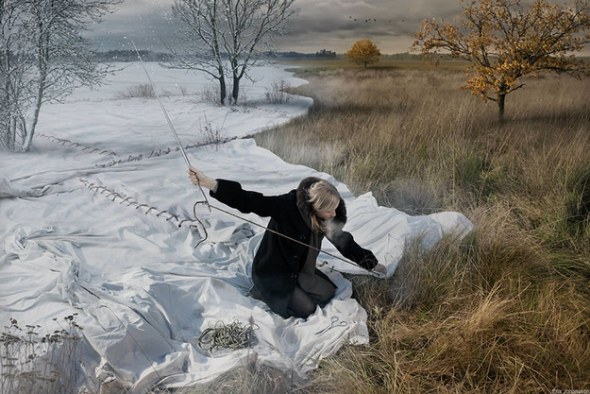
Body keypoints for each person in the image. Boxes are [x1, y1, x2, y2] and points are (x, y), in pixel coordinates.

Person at [188, 167, 387, 319]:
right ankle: (261, 291)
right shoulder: (286, 206)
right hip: (274, 272)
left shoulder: (326, 218)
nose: (334, 214)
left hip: (300, 269)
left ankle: (296, 289)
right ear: (315, 207)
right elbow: (250, 200)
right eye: (329, 211)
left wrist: (369, 263)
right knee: (307, 309)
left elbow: (344, 242)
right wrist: (209, 183)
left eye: (335, 209)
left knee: (328, 293)